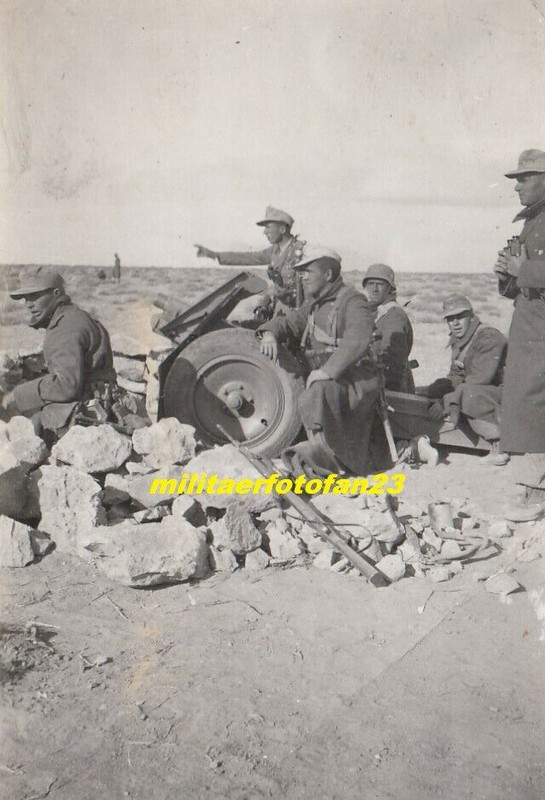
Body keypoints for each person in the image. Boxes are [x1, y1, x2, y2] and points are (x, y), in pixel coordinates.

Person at [258, 245, 380, 476]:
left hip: (355, 379)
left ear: (328, 275)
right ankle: (315, 452)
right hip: (330, 377)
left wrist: (328, 371)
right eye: (301, 271)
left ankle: (327, 464)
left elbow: (358, 337)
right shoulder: (315, 303)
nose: (302, 277)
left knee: (317, 391)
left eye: (308, 271)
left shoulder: (353, 301)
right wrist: (270, 332)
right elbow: (291, 321)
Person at [2, 266, 118, 443]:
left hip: (90, 414)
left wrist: (18, 395)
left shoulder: (64, 327)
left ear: (56, 293)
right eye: (26, 298)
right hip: (103, 400)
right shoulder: (73, 316)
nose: (28, 304)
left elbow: (67, 385)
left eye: (34, 296)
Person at [493, 149, 545, 495]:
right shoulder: (532, 222)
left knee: (534, 397)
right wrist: (507, 275)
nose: (517, 187)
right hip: (529, 321)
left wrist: (521, 270)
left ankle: (534, 488)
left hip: (540, 325)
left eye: (524, 178)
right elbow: (520, 283)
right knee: (525, 395)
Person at [417, 294, 507, 465]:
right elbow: (457, 376)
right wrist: (431, 390)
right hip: (487, 394)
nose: (455, 323)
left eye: (460, 317)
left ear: (471, 315)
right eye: (450, 318)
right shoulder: (461, 339)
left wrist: (445, 403)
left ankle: (498, 444)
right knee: (437, 389)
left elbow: (478, 380)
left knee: (467, 394)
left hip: (507, 396)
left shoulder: (488, 337)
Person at [194, 206, 304, 318]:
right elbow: (248, 257)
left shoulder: (301, 251)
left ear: (282, 229)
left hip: (294, 311)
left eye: (268, 228)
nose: (264, 232)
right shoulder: (274, 251)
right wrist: (215, 255)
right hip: (279, 307)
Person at [361, 263, 415, 393]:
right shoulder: (375, 312)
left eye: (380, 284)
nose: (374, 289)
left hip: (391, 390)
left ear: (390, 288)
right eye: (370, 283)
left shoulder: (394, 316)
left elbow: (393, 366)